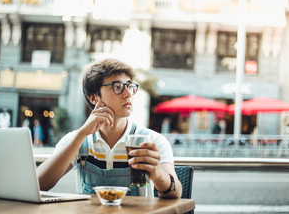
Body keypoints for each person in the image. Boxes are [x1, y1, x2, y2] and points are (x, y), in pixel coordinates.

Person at [37, 59, 182, 198]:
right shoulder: (79, 139)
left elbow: (176, 193)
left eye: (130, 86)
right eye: (117, 87)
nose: (128, 94)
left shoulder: (151, 140)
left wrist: (157, 173)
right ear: (94, 98)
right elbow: (39, 184)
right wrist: (82, 134)